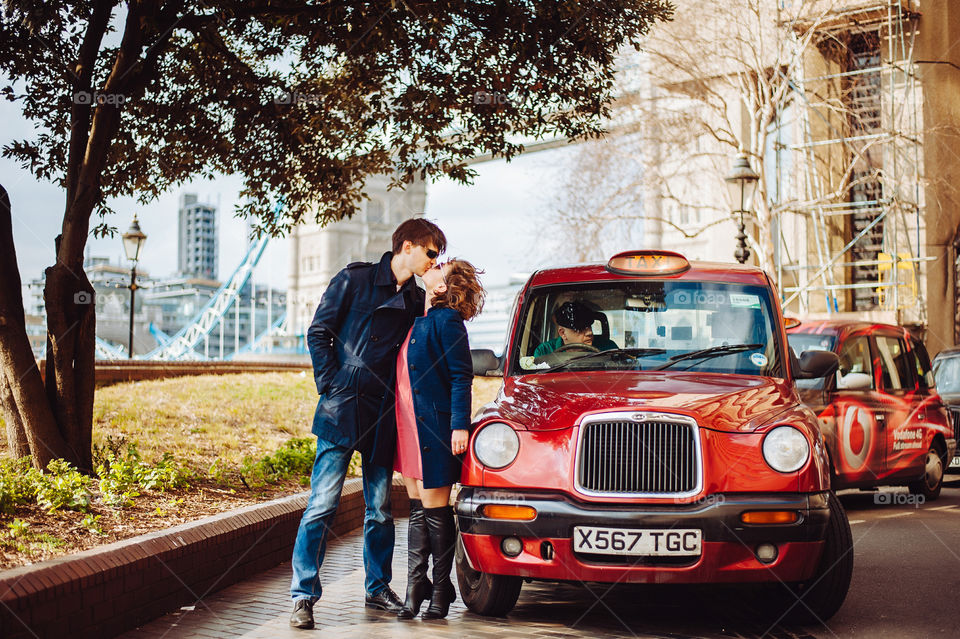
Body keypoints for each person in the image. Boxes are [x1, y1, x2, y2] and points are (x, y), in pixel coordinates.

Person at [289, 218, 446, 630]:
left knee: (378, 509)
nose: (435, 262)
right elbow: (318, 331)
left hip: (383, 412)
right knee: (322, 504)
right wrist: (331, 383)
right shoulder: (354, 279)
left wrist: (434, 296)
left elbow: (425, 347)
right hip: (342, 405)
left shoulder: (415, 298)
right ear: (407, 246)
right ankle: (303, 595)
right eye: (431, 253)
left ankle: (377, 588)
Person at [394, 259, 485, 620]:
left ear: (443, 286)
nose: (431, 266)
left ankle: (439, 588)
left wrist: (459, 426)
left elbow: (462, 377)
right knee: (417, 512)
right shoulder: (420, 319)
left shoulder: (448, 323)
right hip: (407, 429)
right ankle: (418, 585)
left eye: (439, 267)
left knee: (434, 512)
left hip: (433, 428)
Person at [533, 300, 617, 358]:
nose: (589, 332)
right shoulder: (544, 352)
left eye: (589, 326)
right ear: (563, 333)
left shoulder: (609, 348)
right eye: (580, 329)